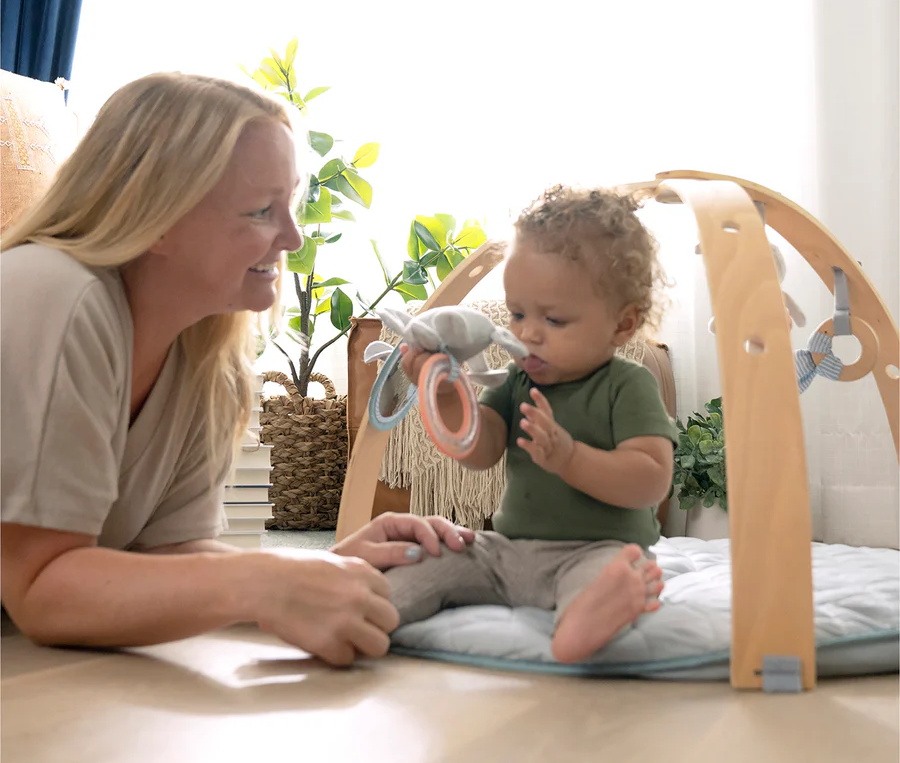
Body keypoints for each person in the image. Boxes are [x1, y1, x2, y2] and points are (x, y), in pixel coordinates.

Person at [0, 72, 474, 667]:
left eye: (291, 204)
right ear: (156, 215)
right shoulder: (51, 294)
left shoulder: (207, 356)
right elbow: (41, 590)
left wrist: (322, 572)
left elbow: (161, 556)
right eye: (259, 210)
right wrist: (260, 581)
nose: (294, 236)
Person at [393, 185, 677, 663]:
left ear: (622, 326)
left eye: (555, 319)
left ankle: (592, 617)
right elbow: (478, 450)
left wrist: (569, 458)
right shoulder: (517, 381)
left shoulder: (627, 386)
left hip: (597, 553)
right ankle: (375, 604)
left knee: (608, 575)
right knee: (435, 558)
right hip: (508, 553)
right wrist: (443, 391)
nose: (526, 333)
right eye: (518, 314)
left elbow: (651, 480)